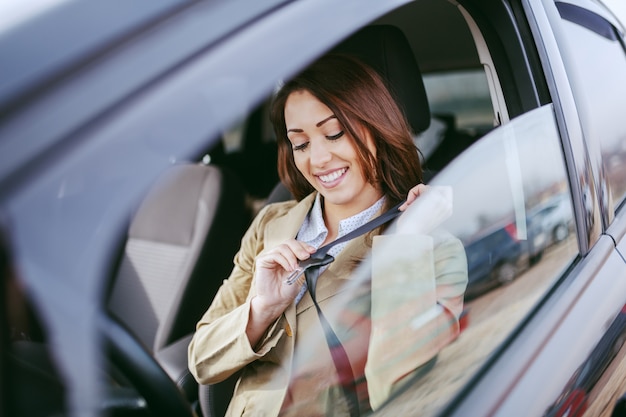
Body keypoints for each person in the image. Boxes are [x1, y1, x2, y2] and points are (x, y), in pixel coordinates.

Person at [188, 54, 468, 417]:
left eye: (334, 133)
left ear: (377, 127)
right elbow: (202, 362)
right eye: (300, 143)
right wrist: (262, 310)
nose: (317, 159)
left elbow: (401, 395)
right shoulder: (270, 225)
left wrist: (405, 244)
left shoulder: (430, 249)